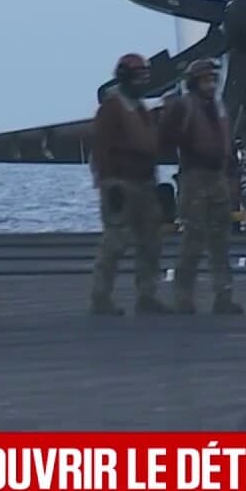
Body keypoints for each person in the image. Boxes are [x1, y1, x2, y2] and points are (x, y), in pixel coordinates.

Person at [87, 52, 170, 316]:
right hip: (121, 184)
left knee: (151, 243)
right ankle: (100, 297)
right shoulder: (112, 108)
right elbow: (100, 148)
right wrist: (108, 183)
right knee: (115, 243)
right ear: (125, 77)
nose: (144, 80)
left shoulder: (140, 108)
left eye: (145, 75)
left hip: (144, 183)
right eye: (139, 75)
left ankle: (147, 296)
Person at [161, 58, 244, 315]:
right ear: (194, 82)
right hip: (194, 178)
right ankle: (183, 297)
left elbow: (227, 143)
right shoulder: (183, 106)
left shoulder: (219, 107)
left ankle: (224, 296)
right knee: (193, 241)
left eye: (213, 79)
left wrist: (231, 175)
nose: (211, 84)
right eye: (206, 80)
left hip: (218, 177)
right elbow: (166, 138)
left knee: (221, 241)